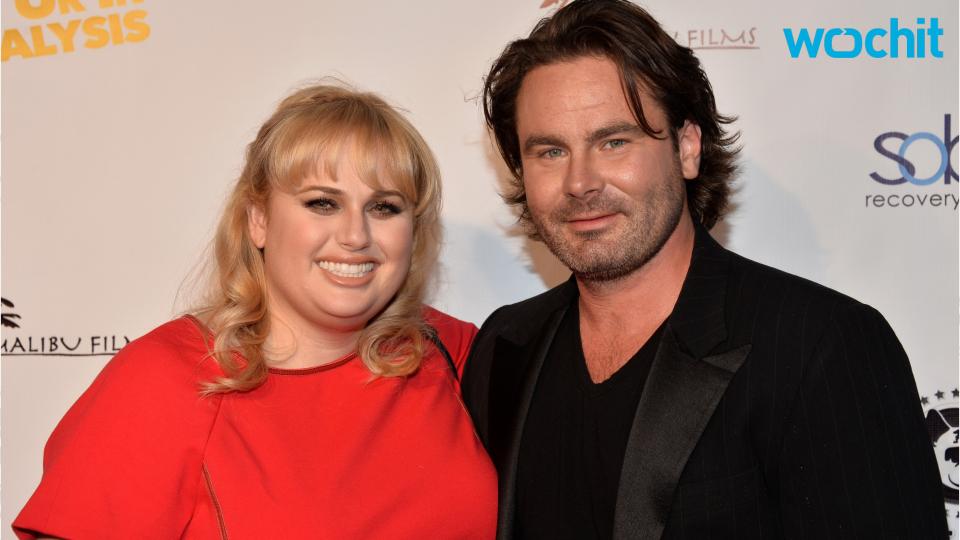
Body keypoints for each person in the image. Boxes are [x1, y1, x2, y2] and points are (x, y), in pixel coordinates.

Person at [461, 1, 948, 538]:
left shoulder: (821, 346)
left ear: (687, 147)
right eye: (550, 152)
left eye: (614, 142)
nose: (580, 182)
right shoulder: (505, 347)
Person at [14, 84, 497, 539]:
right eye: (322, 203)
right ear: (259, 220)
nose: (355, 235)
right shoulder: (166, 378)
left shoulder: (459, 353)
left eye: (385, 207)